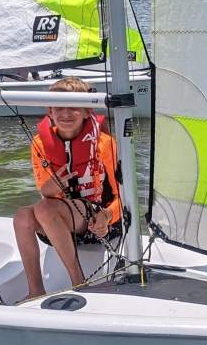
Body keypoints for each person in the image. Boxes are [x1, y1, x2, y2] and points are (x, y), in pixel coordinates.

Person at [12, 77, 124, 299]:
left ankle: (79, 282)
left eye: (73, 107)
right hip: (59, 224)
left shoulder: (105, 144)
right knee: (22, 217)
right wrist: (52, 186)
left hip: (99, 224)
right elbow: (45, 193)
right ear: (50, 112)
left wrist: (107, 216)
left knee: (45, 209)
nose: (66, 114)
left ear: (86, 112)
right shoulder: (39, 144)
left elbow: (124, 197)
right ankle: (35, 291)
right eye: (59, 108)